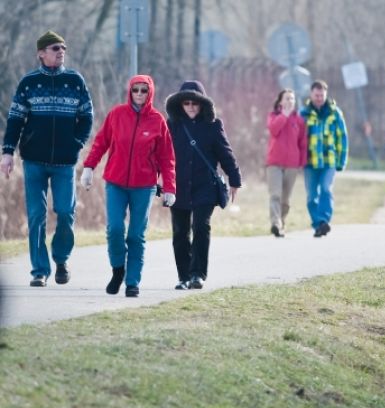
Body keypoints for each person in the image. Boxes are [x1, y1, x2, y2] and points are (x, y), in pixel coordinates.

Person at [0, 31, 93, 287]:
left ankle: (61, 259)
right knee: (36, 215)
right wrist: (7, 152)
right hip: (33, 160)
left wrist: (77, 142)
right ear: (41, 53)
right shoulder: (28, 83)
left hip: (65, 161)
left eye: (63, 47)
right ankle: (39, 270)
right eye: (54, 48)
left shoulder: (75, 80)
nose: (60, 51)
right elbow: (16, 119)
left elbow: (87, 116)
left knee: (65, 212)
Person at [79, 75, 175, 298]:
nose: (139, 94)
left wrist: (169, 187)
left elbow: (167, 157)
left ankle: (132, 282)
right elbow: (101, 142)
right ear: (129, 91)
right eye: (136, 90)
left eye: (144, 90)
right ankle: (118, 269)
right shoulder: (117, 114)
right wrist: (89, 167)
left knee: (136, 235)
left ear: (150, 93)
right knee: (114, 229)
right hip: (115, 182)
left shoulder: (157, 121)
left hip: (144, 185)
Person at [165, 80, 242, 290]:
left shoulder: (213, 125)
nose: (190, 107)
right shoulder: (170, 126)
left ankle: (197, 274)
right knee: (180, 232)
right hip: (177, 187)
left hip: (205, 187)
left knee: (201, 226)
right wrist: (156, 178)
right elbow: (159, 155)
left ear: (203, 104)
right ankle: (183, 276)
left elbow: (226, 154)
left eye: (195, 103)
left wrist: (235, 179)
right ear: (179, 104)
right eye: (186, 102)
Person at [300, 80, 348, 237]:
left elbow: (342, 138)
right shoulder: (304, 113)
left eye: (322, 95)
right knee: (311, 196)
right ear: (311, 95)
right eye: (316, 95)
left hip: (329, 161)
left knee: (326, 189)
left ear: (326, 94)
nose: (319, 98)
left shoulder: (335, 113)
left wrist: (342, 160)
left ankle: (324, 219)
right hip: (309, 161)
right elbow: (298, 138)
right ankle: (319, 224)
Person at [266, 89, 306, 237]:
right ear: (281, 102)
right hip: (274, 163)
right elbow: (273, 130)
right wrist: (284, 115)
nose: (290, 101)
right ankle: (275, 223)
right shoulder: (273, 116)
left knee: (286, 199)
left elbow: (302, 143)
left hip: (292, 165)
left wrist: (301, 163)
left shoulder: (299, 121)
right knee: (275, 194)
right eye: (287, 99)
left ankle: (281, 221)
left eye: (292, 99)